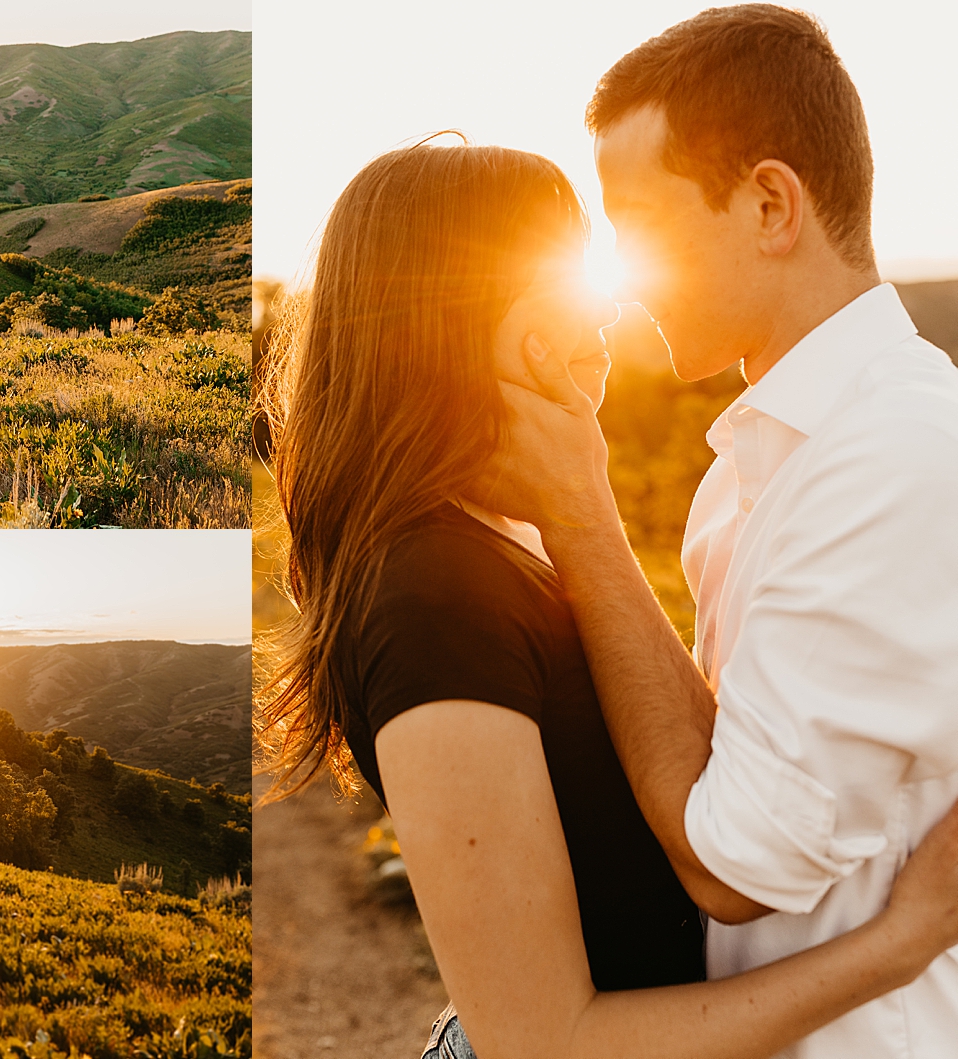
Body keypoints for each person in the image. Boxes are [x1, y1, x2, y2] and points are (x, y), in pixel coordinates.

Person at [256, 137, 958, 1059]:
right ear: (443, 313)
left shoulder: (513, 535)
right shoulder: (430, 592)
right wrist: (900, 944)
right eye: (556, 274)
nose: (605, 304)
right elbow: (546, 1039)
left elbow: (704, 767)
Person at [488, 8, 958, 1058]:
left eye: (639, 227)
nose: (620, 276)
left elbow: (732, 868)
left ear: (768, 204)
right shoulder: (761, 461)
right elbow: (729, 758)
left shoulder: (896, 455)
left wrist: (576, 507)